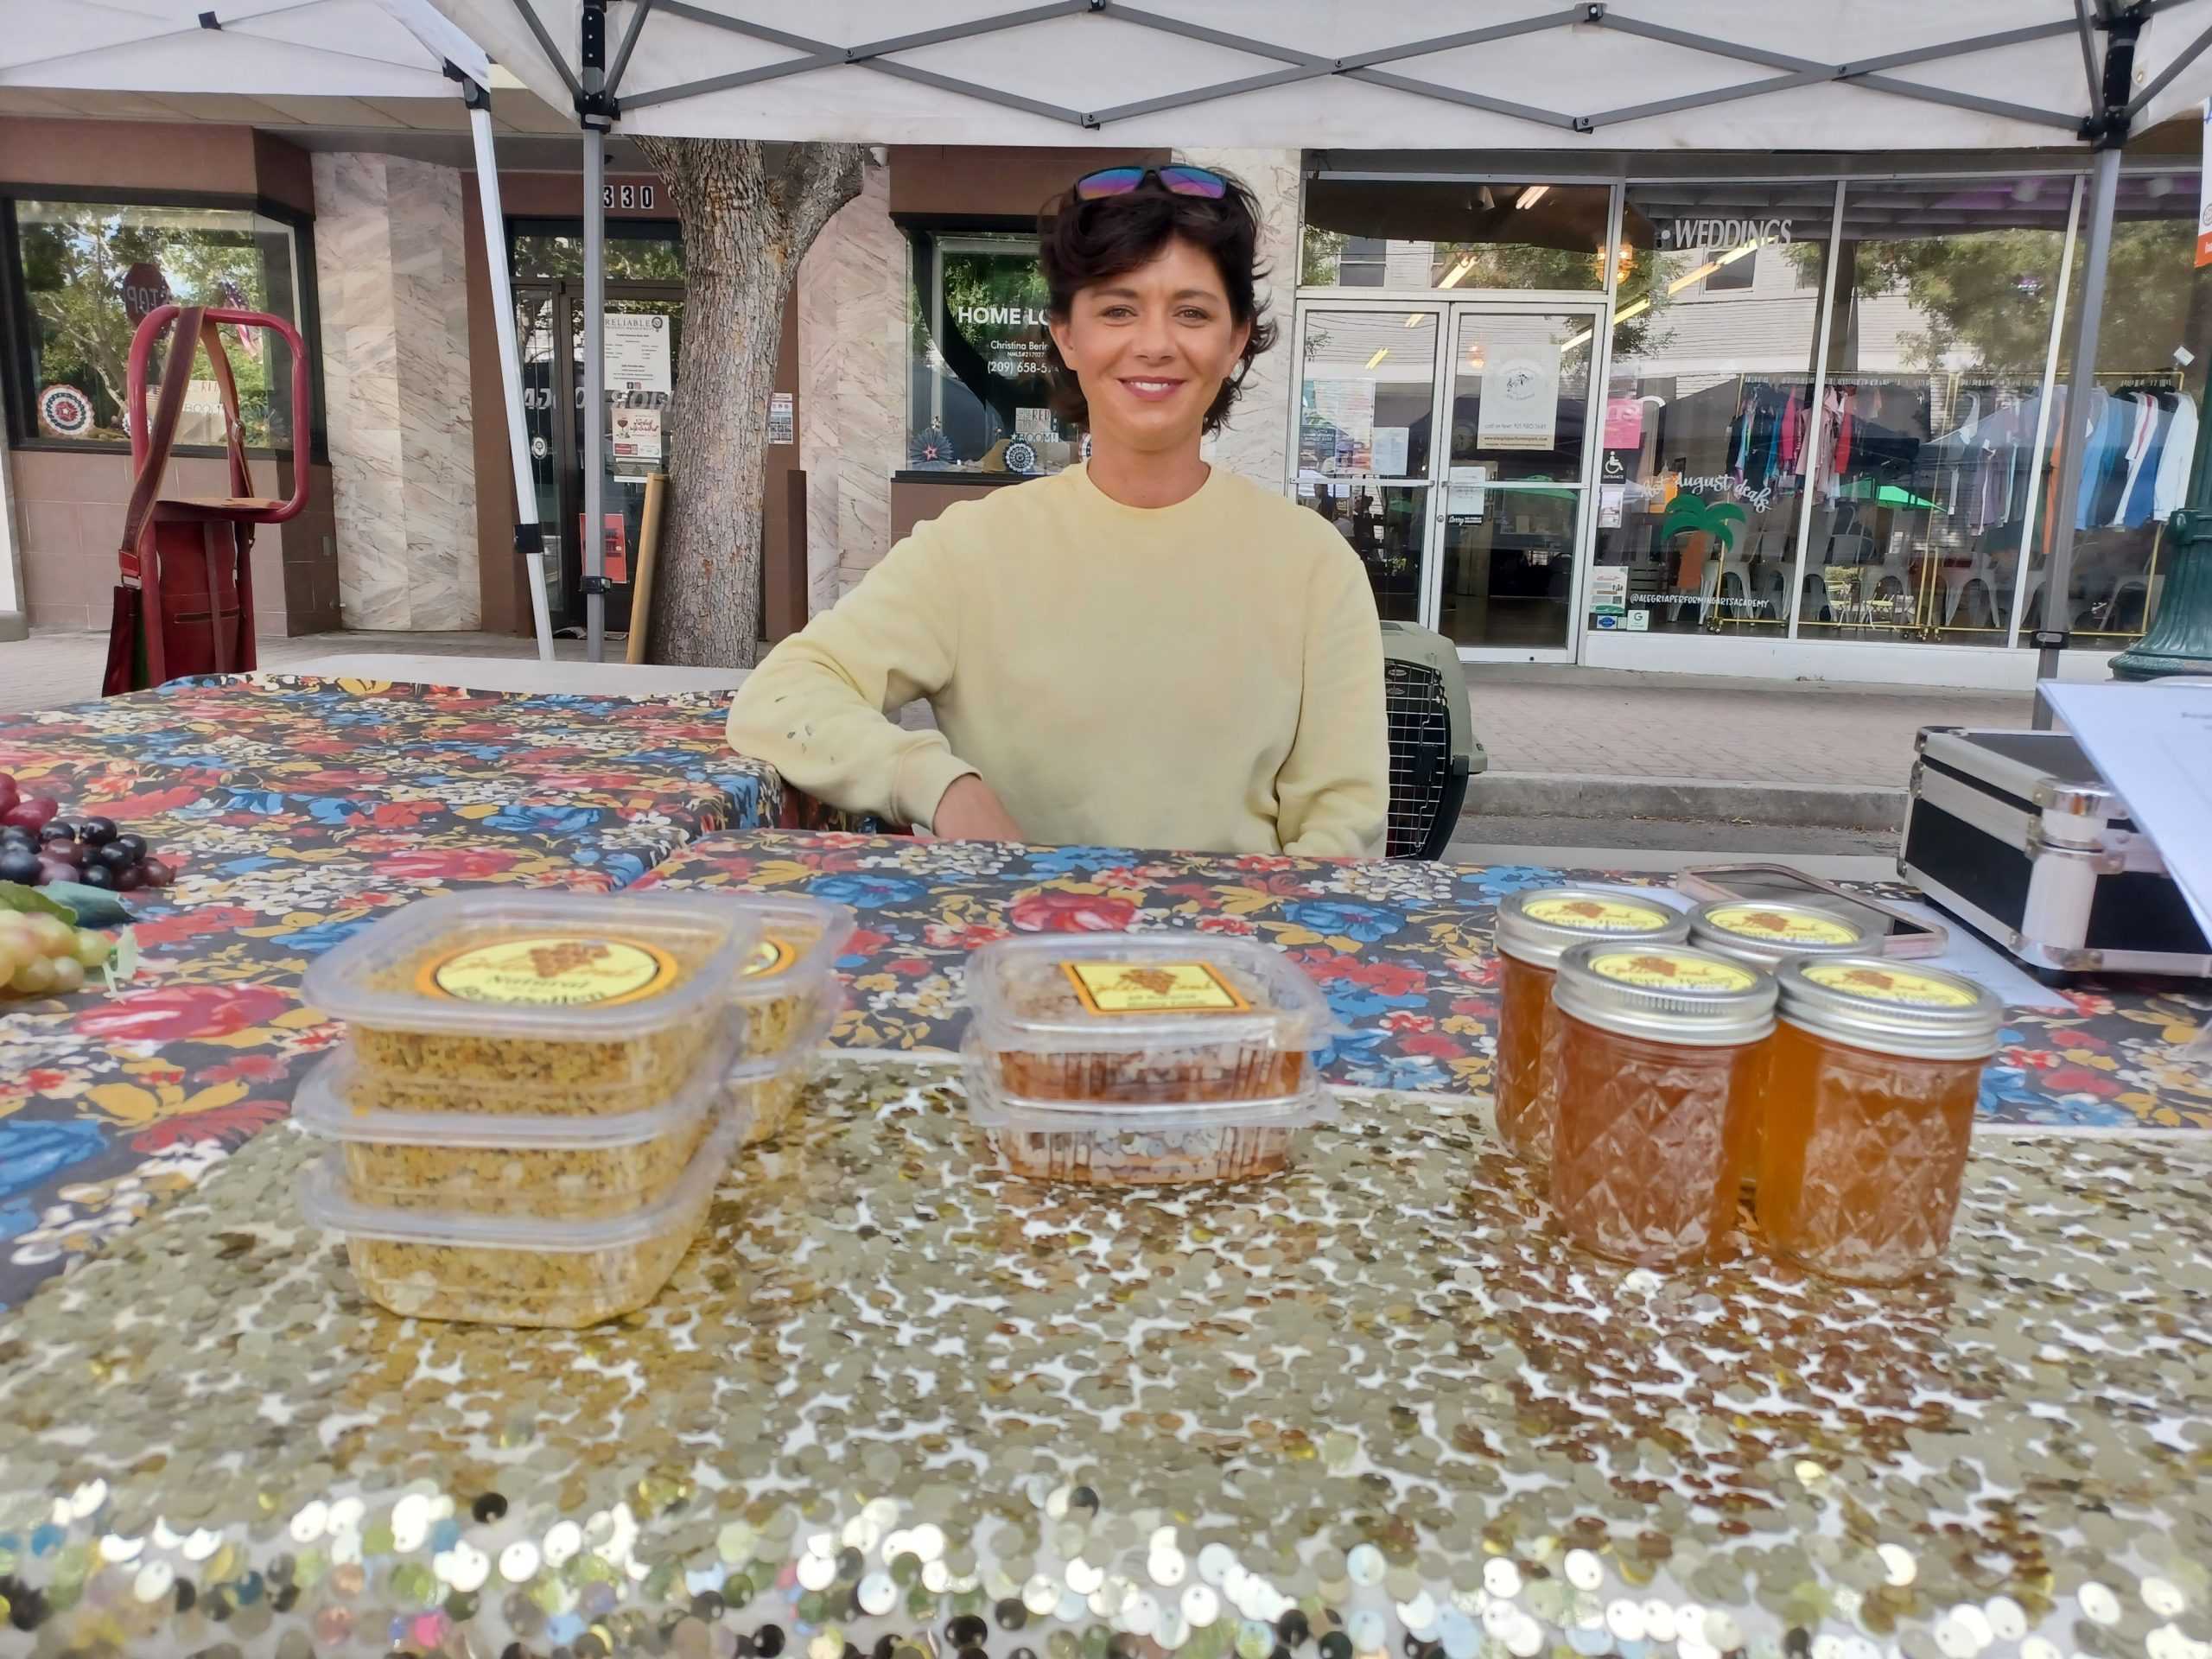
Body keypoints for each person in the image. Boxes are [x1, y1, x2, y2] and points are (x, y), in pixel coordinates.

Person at [727, 163, 1389, 855]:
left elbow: (1344, 822)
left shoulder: (1313, 566)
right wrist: (939, 784)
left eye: (1192, 312)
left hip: (1239, 950)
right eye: (1117, 309)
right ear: (1068, 337)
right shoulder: (973, 549)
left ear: (1236, 340)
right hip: (1021, 948)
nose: (1156, 343)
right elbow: (784, 694)